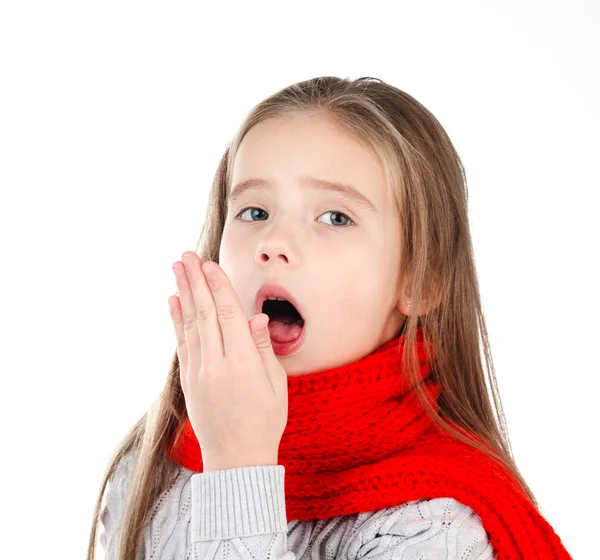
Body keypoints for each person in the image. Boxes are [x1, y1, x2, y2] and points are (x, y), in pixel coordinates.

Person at [86, 76, 573, 560]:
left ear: (421, 279)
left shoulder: (435, 526)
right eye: (254, 211)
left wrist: (238, 467)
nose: (272, 243)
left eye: (335, 218)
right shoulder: (151, 467)